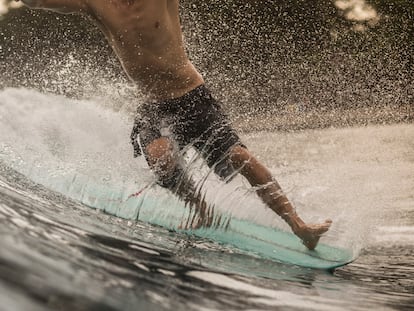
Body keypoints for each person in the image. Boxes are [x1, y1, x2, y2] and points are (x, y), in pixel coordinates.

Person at [18, 0, 332, 250]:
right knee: (159, 154)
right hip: (155, 106)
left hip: (192, 97)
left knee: (240, 157)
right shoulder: (95, 3)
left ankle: (299, 226)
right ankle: (201, 210)